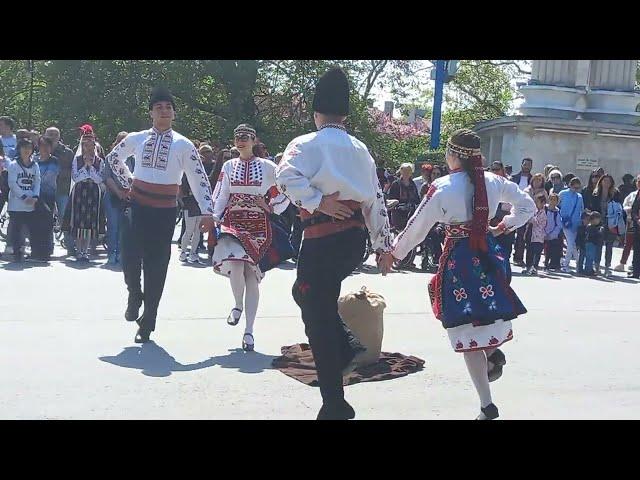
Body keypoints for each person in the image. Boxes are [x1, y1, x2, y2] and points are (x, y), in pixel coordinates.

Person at [381, 128, 535, 420]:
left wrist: (394, 253)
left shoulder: (442, 186)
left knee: (466, 333)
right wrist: (503, 226)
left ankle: (487, 403)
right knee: (484, 319)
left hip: (459, 262)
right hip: (489, 256)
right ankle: (491, 357)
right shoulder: (494, 181)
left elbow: (417, 225)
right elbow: (528, 206)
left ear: (453, 156)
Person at [276, 67, 392, 420]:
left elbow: (284, 178)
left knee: (317, 313)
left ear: (316, 113)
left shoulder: (304, 143)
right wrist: (383, 246)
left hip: (322, 237)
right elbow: (375, 199)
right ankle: (345, 348)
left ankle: (334, 401)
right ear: (345, 113)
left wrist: (318, 200)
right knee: (307, 296)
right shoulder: (361, 149)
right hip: (353, 241)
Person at [104, 87, 215, 344]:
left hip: (164, 211)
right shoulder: (138, 138)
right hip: (138, 204)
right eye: (158, 107)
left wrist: (208, 212)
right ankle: (134, 292)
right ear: (151, 112)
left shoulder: (184, 145)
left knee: (157, 265)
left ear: (174, 113)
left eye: (168, 107)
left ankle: (149, 320)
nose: (164, 111)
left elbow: (199, 180)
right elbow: (113, 157)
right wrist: (128, 182)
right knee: (129, 253)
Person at [211, 124, 290, 351]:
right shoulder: (229, 165)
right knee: (236, 263)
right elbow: (221, 192)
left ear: (254, 140)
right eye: (237, 137)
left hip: (257, 223)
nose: (240, 141)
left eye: (245, 137)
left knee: (251, 273)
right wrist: (215, 216)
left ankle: (249, 331)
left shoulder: (267, 167)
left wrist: (270, 206)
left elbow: (282, 191)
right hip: (233, 221)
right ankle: (237, 305)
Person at [63, 125, 105, 262]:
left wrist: (91, 167)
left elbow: (99, 178)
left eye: (91, 144)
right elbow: (75, 177)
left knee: (90, 221)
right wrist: (86, 167)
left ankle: (85, 250)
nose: (88, 147)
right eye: (85, 144)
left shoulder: (99, 161)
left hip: (93, 192)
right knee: (79, 220)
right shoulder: (77, 160)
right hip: (80, 191)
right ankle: (78, 249)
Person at [7, 138, 42, 262]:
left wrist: (35, 196)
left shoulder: (35, 165)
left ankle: (33, 251)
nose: (27, 150)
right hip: (17, 203)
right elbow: (12, 183)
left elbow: (37, 181)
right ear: (19, 149)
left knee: (31, 228)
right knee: (16, 229)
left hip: (31, 203)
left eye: (29, 148)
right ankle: (17, 252)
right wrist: (23, 196)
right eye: (24, 147)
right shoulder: (13, 164)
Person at [102, 132, 134, 265]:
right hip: (112, 196)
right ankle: (111, 253)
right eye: (120, 141)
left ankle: (122, 253)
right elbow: (107, 177)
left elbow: (135, 177)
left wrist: (128, 192)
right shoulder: (110, 157)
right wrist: (118, 192)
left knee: (125, 227)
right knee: (113, 226)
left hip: (129, 197)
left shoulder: (133, 159)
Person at [44, 127, 76, 256]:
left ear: (59, 136)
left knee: (65, 218)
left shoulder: (67, 152)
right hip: (45, 190)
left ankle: (71, 246)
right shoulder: (41, 149)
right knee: (46, 219)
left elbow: (74, 169)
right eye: (49, 134)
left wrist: (58, 173)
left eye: (55, 134)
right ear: (45, 135)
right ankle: (47, 247)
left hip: (63, 189)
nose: (52, 136)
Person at [590, 174, 624, 277]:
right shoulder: (596, 193)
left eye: (609, 181)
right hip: (599, 222)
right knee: (598, 245)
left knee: (609, 245)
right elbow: (593, 207)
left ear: (612, 183)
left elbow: (619, 208)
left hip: (611, 223)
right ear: (601, 182)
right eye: (604, 181)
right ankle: (597, 266)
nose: (606, 183)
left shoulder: (615, 193)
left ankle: (607, 267)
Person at [34, 136, 59, 259]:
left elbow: (49, 177)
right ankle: (36, 250)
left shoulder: (54, 161)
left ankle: (47, 251)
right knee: (35, 224)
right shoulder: (33, 160)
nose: (45, 148)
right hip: (34, 196)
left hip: (48, 196)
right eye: (42, 145)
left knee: (47, 224)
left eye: (47, 146)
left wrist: (35, 180)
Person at [510, 158, 534, 266]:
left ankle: (518, 257)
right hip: (512, 207)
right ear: (521, 165)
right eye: (525, 164)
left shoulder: (533, 180)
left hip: (525, 209)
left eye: (528, 165)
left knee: (521, 235)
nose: (526, 166)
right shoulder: (514, 178)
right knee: (509, 233)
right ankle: (506, 255)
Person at [558, 177, 584, 273]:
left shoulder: (579, 197)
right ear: (570, 185)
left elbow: (581, 209)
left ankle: (578, 263)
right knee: (571, 243)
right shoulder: (563, 193)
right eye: (574, 187)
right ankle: (566, 264)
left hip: (575, 223)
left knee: (572, 244)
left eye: (578, 188)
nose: (576, 190)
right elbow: (557, 204)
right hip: (565, 222)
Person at [388, 163, 420, 230]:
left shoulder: (412, 184)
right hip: (399, 215)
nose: (406, 173)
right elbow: (391, 201)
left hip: (411, 214)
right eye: (404, 171)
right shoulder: (396, 184)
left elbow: (417, 199)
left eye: (408, 171)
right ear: (401, 171)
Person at [618, 175, 640, 274]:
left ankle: (635, 266)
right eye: (638, 181)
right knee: (629, 243)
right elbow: (625, 204)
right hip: (631, 222)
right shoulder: (633, 194)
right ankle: (623, 263)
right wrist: (628, 209)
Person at [523, 193, 547, 275]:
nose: (536, 204)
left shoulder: (543, 213)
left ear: (543, 203)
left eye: (538, 202)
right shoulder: (532, 210)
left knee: (537, 252)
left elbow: (539, 223)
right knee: (529, 251)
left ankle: (534, 267)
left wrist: (532, 219)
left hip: (538, 235)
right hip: (530, 233)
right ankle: (528, 267)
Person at [624, 180, 640, 279]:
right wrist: (637, 219)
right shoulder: (637, 194)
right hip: (638, 225)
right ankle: (636, 271)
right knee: (637, 249)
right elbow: (634, 209)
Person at [544, 193, 563, 271]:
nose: (552, 201)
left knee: (551, 250)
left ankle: (551, 264)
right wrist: (543, 233)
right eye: (551, 199)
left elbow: (559, 225)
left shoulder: (557, 212)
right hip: (542, 233)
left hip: (552, 235)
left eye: (554, 200)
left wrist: (552, 235)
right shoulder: (544, 209)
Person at [583, 211, 604, 277]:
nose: (599, 221)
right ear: (594, 219)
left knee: (590, 257)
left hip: (590, 243)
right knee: (590, 257)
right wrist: (599, 231)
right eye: (598, 219)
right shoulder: (591, 227)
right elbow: (594, 235)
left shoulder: (591, 227)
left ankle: (589, 269)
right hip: (590, 244)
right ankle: (588, 270)